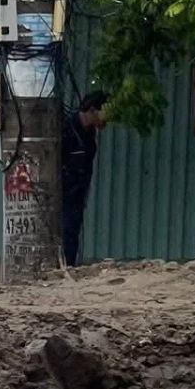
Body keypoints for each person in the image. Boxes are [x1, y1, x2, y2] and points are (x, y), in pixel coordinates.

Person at [61, 89, 109, 267]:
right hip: (64, 193)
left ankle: (69, 266)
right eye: (105, 113)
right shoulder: (66, 129)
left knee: (72, 233)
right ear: (93, 110)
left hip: (77, 194)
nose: (107, 120)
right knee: (65, 233)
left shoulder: (89, 133)